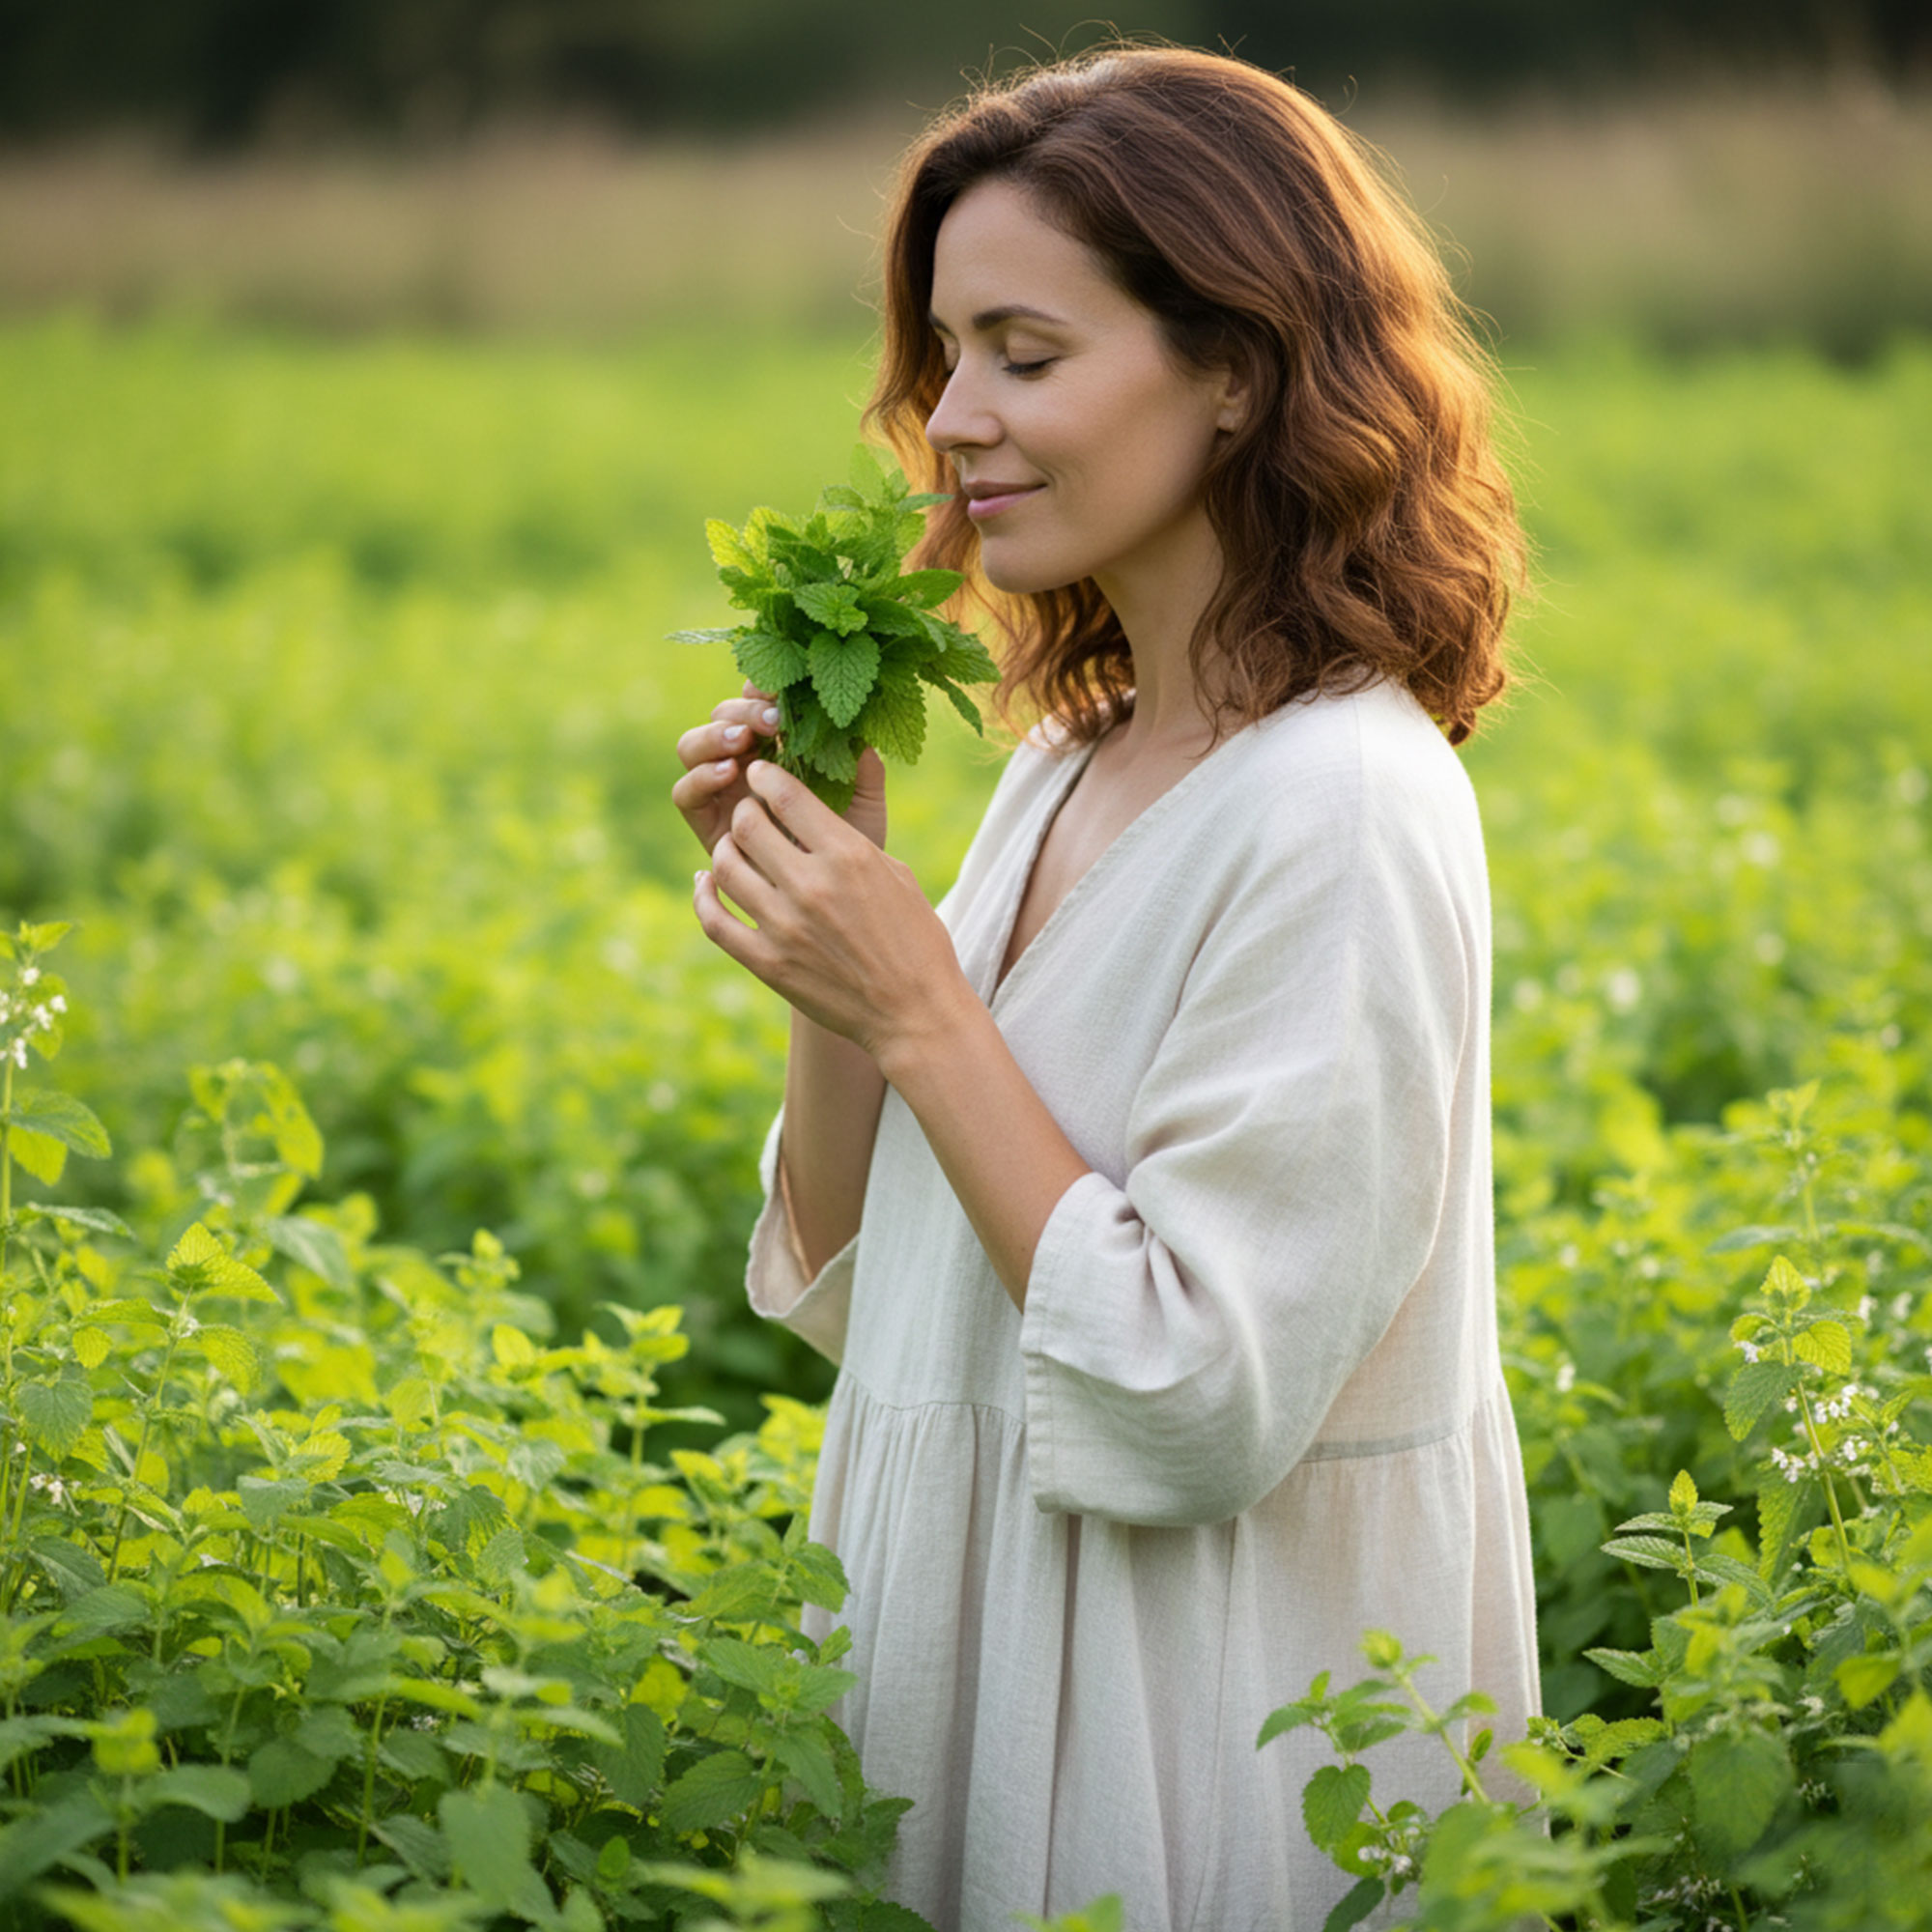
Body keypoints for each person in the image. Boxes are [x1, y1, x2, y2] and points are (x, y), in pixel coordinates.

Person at [671, 43, 1538, 1932]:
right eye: (944, 355)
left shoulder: (1346, 805)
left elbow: (1189, 1389)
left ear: (1232, 369)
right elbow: (861, 1287)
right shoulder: (1077, 755)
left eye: (1023, 352)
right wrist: (847, 936)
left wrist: (920, 1005)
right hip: (970, 1645)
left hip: (1185, 1727)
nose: (951, 418)